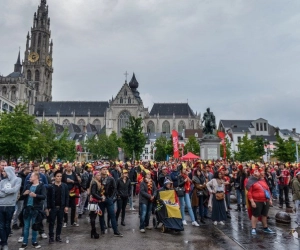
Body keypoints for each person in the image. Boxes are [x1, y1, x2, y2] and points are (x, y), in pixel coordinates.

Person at [19, 172, 46, 250]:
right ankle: (24, 242)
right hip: (27, 209)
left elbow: (44, 196)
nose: (29, 178)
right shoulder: (27, 185)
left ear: (36, 177)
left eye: (31, 176)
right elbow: (21, 198)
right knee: (26, 226)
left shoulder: (41, 186)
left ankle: (34, 242)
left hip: (36, 210)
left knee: (35, 226)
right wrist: (24, 194)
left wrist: (36, 195)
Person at [246, 167, 275, 235]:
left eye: (258, 171)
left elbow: (267, 190)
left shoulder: (263, 180)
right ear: (252, 173)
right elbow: (249, 193)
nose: (258, 172)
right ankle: (253, 228)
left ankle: (265, 227)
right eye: (256, 171)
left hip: (265, 200)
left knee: (264, 215)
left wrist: (270, 199)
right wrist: (252, 201)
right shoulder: (250, 181)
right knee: (255, 215)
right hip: (257, 200)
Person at [0, 166, 22, 250]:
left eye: (4, 171)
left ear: (8, 172)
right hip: (1, 205)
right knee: (1, 225)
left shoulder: (17, 180)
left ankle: (3, 241)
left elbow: (15, 190)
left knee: (7, 225)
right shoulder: (2, 181)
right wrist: (8, 192)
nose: (2, 173)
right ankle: (4, 243)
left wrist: (4, 190)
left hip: (10, 205)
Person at [98, 165, 123, 237]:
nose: (105, 170)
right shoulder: (98, 179)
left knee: (112, 215)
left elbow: (115, 188)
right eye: (103, 169)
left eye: (106, 169)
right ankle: (102, 229)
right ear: (100, 170)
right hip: (100, 199)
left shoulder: (111, 179)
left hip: (109, 199)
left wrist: (111, 197)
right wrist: (98, 197)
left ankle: (116, 231)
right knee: (101, 215)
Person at [47, 171, 69, 244]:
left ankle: (58, 236)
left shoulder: (64, 186)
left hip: (61, 207)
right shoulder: (51, 186)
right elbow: (48, 197)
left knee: (60, 222)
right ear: (54, 177)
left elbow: (66, 197)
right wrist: (48, 207)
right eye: (57, 176)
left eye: (60, 176)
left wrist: (66, 206)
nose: (59, 178)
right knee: (51, 222)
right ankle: (51, 236)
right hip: (53, 207)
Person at [12, 165, 30, 230]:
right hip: (19, 196)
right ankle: (14, 223)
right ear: (25, 170)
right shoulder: (20, 177)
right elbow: (20, 186)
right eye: (29, 169)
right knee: (18, 210)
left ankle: (19, 222)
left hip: (22, 196)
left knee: (20, 210)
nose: (30, 171)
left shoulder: (25, 176)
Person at [62, 163, 80, 227]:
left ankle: (72, 221)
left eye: (70, 167)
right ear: (66, 168)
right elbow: (62, 183)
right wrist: (66, 182)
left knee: (73, 207)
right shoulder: (63, 175)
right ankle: (65, 221)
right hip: (65, 192)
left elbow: (77, 182)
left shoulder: (74, 174)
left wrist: (72, 181)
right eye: (68, 167)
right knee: (65, 206)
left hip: (72, 192)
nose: (69, 168)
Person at [89, 171, 103, 239]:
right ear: (95, 176)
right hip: (94, 202)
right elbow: (94, 193)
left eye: (100, 175)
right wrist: (100, 198)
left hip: (94, 201)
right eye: (98, 175)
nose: (99, 176)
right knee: (93, 217)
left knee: (93, 217)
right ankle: (93, 231)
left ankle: (93, 231)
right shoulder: (94, 183)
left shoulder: (96, 182)